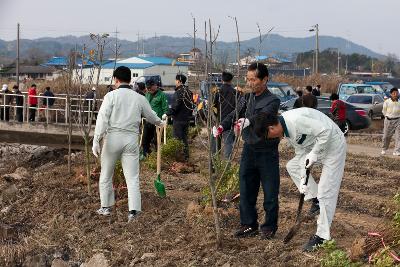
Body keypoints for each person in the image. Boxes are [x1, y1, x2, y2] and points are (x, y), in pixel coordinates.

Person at [255, 107, 346, 252]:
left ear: (271, 128)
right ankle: (316, 199)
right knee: (293, 165)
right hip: (316, 147)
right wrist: (304, 179)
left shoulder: (296, 120)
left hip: (333, 145)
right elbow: (301, 151)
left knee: (326, 190)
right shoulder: (286, 130)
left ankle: (322, 236)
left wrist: (315, 153)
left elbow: (325, 131)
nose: (270, 139)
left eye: (267, 135)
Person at [213, 62, 281, 239]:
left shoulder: (273, 100)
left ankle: (269, 227)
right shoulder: (247, 98)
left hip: (267, 151)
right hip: (249, 150)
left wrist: (249, 121)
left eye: (254, 79)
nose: (250, 83)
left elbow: (264, 115)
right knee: (246, 189)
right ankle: (249, 225)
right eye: (248, 79)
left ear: (265, 79)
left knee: (270, 191)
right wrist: (221, 126)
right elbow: (235, 113)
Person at [92, 66, 166, 222]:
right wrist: (161, 122)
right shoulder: (139, 97)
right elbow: (151, 116)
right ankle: (134, 211)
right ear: (130, 79)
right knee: (132, 177)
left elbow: (102, 119)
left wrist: (96, 140)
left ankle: (106, 207)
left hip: (113, 138)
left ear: (115, 80)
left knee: (106, 174)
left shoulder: (110, 96)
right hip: (131, 139)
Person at [166, 74, 194, 161]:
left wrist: (167, 113)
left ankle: (179, 158)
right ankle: (186, 157)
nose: (175, 82)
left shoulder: (178, 92)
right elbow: (191, 106)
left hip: (178, 119)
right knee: (184, 139)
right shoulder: (189, 92)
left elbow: (175, 107)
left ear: (179, 81)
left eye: (176, 80)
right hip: (186, 119)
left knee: (177, 139)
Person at [212, 71, 237, 159]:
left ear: (222, 80)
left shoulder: (218, 92)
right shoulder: (235, 92)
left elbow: (213, 106)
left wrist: (215, 118)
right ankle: (227, 167)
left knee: (215, 144)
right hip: (230, 121)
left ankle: (214, 165)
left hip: (218, 120)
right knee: (228, 144)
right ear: (231, 80)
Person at [142, 79, 169, 157]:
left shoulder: (162, 95)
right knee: (145, 141)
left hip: (157, 122)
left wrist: (165, 115)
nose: (150, 90)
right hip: (148, 121)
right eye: (148, 88)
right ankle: (146, 156)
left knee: (157, 141)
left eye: (151, 88)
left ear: (155, 86)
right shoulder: (147, 94)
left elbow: (165, 107)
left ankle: (158, 157)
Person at [381, 87, 400, 156]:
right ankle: (384, 149)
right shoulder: (387, 102)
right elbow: (384, 111)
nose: (395, 94)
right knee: (386, 136)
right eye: (394, 93)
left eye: (396, 93)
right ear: (391, 94)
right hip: (388, 121)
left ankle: (396, 151)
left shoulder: (399, 102)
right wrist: (387, 116)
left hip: (398, 120)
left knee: (398, 136)